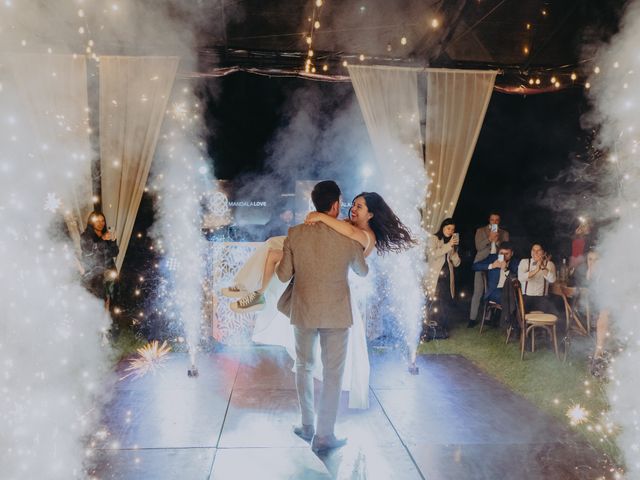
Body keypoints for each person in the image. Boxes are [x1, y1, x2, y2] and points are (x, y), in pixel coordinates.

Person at [276, 180, 368, 454]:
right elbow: (362, 271)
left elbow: (283, 275)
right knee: (332, 374)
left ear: (315, 204)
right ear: (336, 205)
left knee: (303, 367)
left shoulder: (295, 233)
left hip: (303, 311)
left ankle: (307, 426)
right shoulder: (348, 236)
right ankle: (325, 435)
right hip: (337, 315)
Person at [468, 212, 510, 328]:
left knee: (493, 288)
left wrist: (496, 242)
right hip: (482, 261)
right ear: (489, 220)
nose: (494, 222)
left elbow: (506, 249)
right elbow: (478, 247)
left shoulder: (504, 233)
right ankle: (472, 318)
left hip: (497, 261)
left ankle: (489, 318)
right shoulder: (480, 231)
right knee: (478, 290)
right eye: (492, 220)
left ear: (499, 221)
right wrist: (489, 238)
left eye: (497, 220)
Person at [425, 218, 461, 337]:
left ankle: (442, 329)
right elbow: (433, 254)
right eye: (448, 228)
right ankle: (431, 329)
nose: (450, 231)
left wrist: (454, 251)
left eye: (453, 229)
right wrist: (448, 245)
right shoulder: (434, 238)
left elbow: (456, 263)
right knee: (434, 302)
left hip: (447, 277)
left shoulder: (452, 243)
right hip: (436, 277)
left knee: (445, 302)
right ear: (443, 228)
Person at [80, 211, 119, 309]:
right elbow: (90, 250)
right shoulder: (85, 236)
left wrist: (113, 241)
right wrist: (102, 239)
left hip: (109, 274)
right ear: (91, 222)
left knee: (109, 301)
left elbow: (114, 253)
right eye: (97, 221)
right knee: (97, 304)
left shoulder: (106, 234)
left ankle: (106, 322)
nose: (101, 223)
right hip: (95, 276)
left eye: (102, 221)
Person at [472, 241, 518, 307]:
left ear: (512, 254)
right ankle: (510, 317)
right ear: (498, 252)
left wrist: (506, 269)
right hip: (494, 291)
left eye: (506, 254)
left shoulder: (516, 262)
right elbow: (474, 266)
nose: (503, 256)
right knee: (508, 299)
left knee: (515, 298)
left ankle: (506, 317)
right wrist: (492, 266)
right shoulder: (493, 258)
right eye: (501, 253)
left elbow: (519, 278)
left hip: (510, 290)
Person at [517, 243, 556, 314]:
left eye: (538, 250)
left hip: (543, 298)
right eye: (533, 250)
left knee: (554, 313)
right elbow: (521, 278)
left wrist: (543, 267)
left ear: (544, 253)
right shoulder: (524, 262)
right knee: (520, 315)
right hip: (526, 298)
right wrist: (536, 270)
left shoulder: (549, 264)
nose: (535, 252)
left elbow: (552, 280)